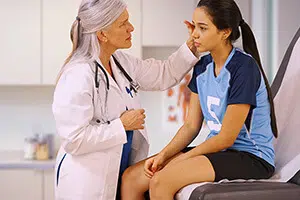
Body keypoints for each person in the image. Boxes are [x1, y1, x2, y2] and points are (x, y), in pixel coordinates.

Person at [121, 0, 278, 199]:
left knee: (161, 180)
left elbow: (226, 138)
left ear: (225, 32)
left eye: (202, 28)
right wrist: (165, 155)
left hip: (251, 157)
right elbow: (190, 126)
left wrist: (183, 159)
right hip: (220, 151)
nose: (194, 33)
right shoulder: (203, 66)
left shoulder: (243, 68)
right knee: (131, 178)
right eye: (194, 26)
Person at [52, 0, 198, 199]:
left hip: (120, 173)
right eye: (123, 24)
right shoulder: (78, 75)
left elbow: (163, 74)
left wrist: (191, 46)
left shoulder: (120, 62)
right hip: (87, 183)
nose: (131, 27)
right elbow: (74, 140)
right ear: (102, 34)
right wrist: (121, 126)